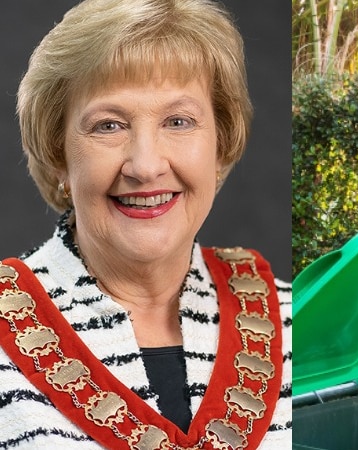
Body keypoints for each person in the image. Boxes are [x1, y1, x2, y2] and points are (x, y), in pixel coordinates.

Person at [0, 0, 291, 449]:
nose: (146, 165)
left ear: (220, 145)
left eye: (179, 121)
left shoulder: (294, 316)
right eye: (108, 125)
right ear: (59, 156)